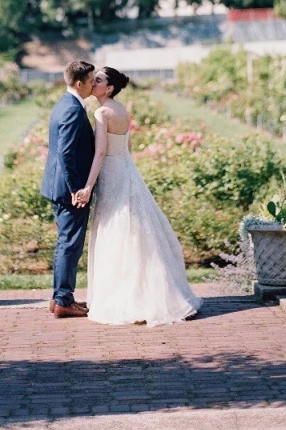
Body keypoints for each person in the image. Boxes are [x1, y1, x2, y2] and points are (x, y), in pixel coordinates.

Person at [75, 67, 202, 326]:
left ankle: (124, 298)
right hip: (126, 169)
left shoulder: (101, 112)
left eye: (97, 81)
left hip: (111, 171)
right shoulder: (122, 109)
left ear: (109, 88)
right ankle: (148, 294)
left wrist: (88, 186)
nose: (93, 84)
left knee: (116, 229)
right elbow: (128, 146)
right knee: (135, 229)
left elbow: (100, 153)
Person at [40, 60, 95, 318]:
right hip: (68, 188)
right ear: (80, 83)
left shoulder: (64, 103)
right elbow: (66, 153)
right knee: (70, 244)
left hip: (57, 186)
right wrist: (76, 188)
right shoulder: (73, 109)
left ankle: (60, 297)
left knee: (66, 243)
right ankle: (63, 300)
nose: (94, 84)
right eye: (92, 80)